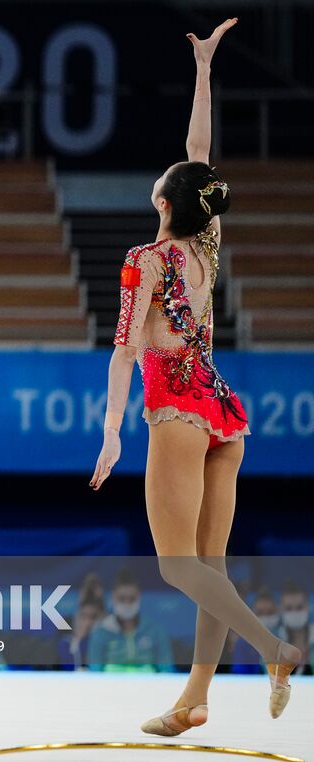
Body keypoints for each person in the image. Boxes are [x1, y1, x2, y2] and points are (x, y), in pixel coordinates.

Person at [88, 17, 298, 736]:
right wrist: (204, 70)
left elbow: (123, 350)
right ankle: (195, 700)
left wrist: (112, 432)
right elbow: (199, 155)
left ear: (162, 204)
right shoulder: (206, 245)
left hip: (176, 412)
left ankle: (275, 649)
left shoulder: (145, 259)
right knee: (211, 566)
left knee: (179, 567)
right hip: (222, 414)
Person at [85, 570, 173, 675]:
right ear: (113, 598)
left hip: (148, 687)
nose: (127, 604)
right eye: (122, 599)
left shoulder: (155, 631)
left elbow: (166, 671)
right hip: (111, 688)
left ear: (139, 598)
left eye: (132, 599)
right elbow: (94, 672)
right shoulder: (100, 632)